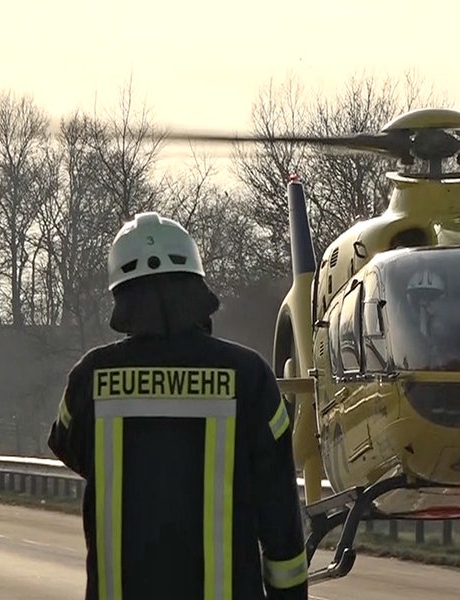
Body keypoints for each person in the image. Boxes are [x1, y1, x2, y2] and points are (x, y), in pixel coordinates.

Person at [47, 212, 308, 600]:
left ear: (121, 294)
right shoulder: (250, 377)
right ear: (196, 284)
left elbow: (71, 448)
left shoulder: (89, 378)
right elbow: (280, 519)